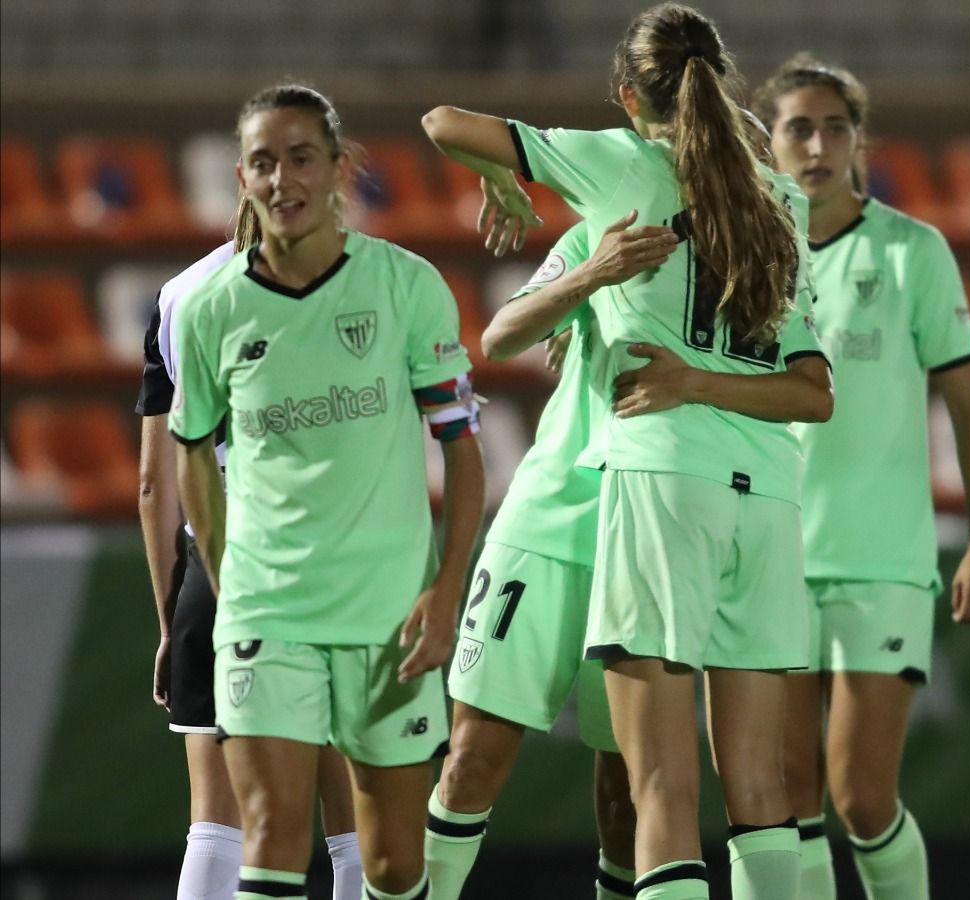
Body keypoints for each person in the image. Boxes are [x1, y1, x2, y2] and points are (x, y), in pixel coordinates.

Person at [420, 5, 833, 899]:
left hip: (652, 489)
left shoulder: (627, 178)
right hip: (646, 499)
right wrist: (588, 276)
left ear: (627, 98)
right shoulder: (766, 208)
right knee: (752, 791)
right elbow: (500, 332)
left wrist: (502, 176)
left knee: (647, 787)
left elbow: (444, 123)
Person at [169, 83, 485, 900]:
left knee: (389, 862)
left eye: (301, 157)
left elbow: (463, 450)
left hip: (389, 615)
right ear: (241, 178)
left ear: (340, 167)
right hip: (267, 608)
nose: (283, 179)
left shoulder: (408, 288)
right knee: (271, 834)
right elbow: (191, 453)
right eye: (263, 163)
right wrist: (228, 569)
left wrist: (447, 592)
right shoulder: (210, 310)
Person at [752, 55, 970, 900]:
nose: (817, 144)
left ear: (859, 139)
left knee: (862, 797)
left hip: (883, 557)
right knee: (787, 801)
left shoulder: (911, 250)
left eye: (834, 127)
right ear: (770, 142)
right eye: (798, 127)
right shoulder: (747, 259)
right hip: (771, 556)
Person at [423, 212, 677, 900]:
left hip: (652, 534)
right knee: (472, 758)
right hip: (549, 516)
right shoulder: (609, 227)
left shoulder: (745, 257)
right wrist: (594, 277)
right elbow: (501, 335)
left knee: (627, 785)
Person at [137, 234, 364, 900]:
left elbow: (157, 483)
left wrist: (169, 618)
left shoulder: (181, 294)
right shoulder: (357, 281)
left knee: (217, 819)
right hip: (326, 554)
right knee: (352, 816)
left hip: (218, 563)